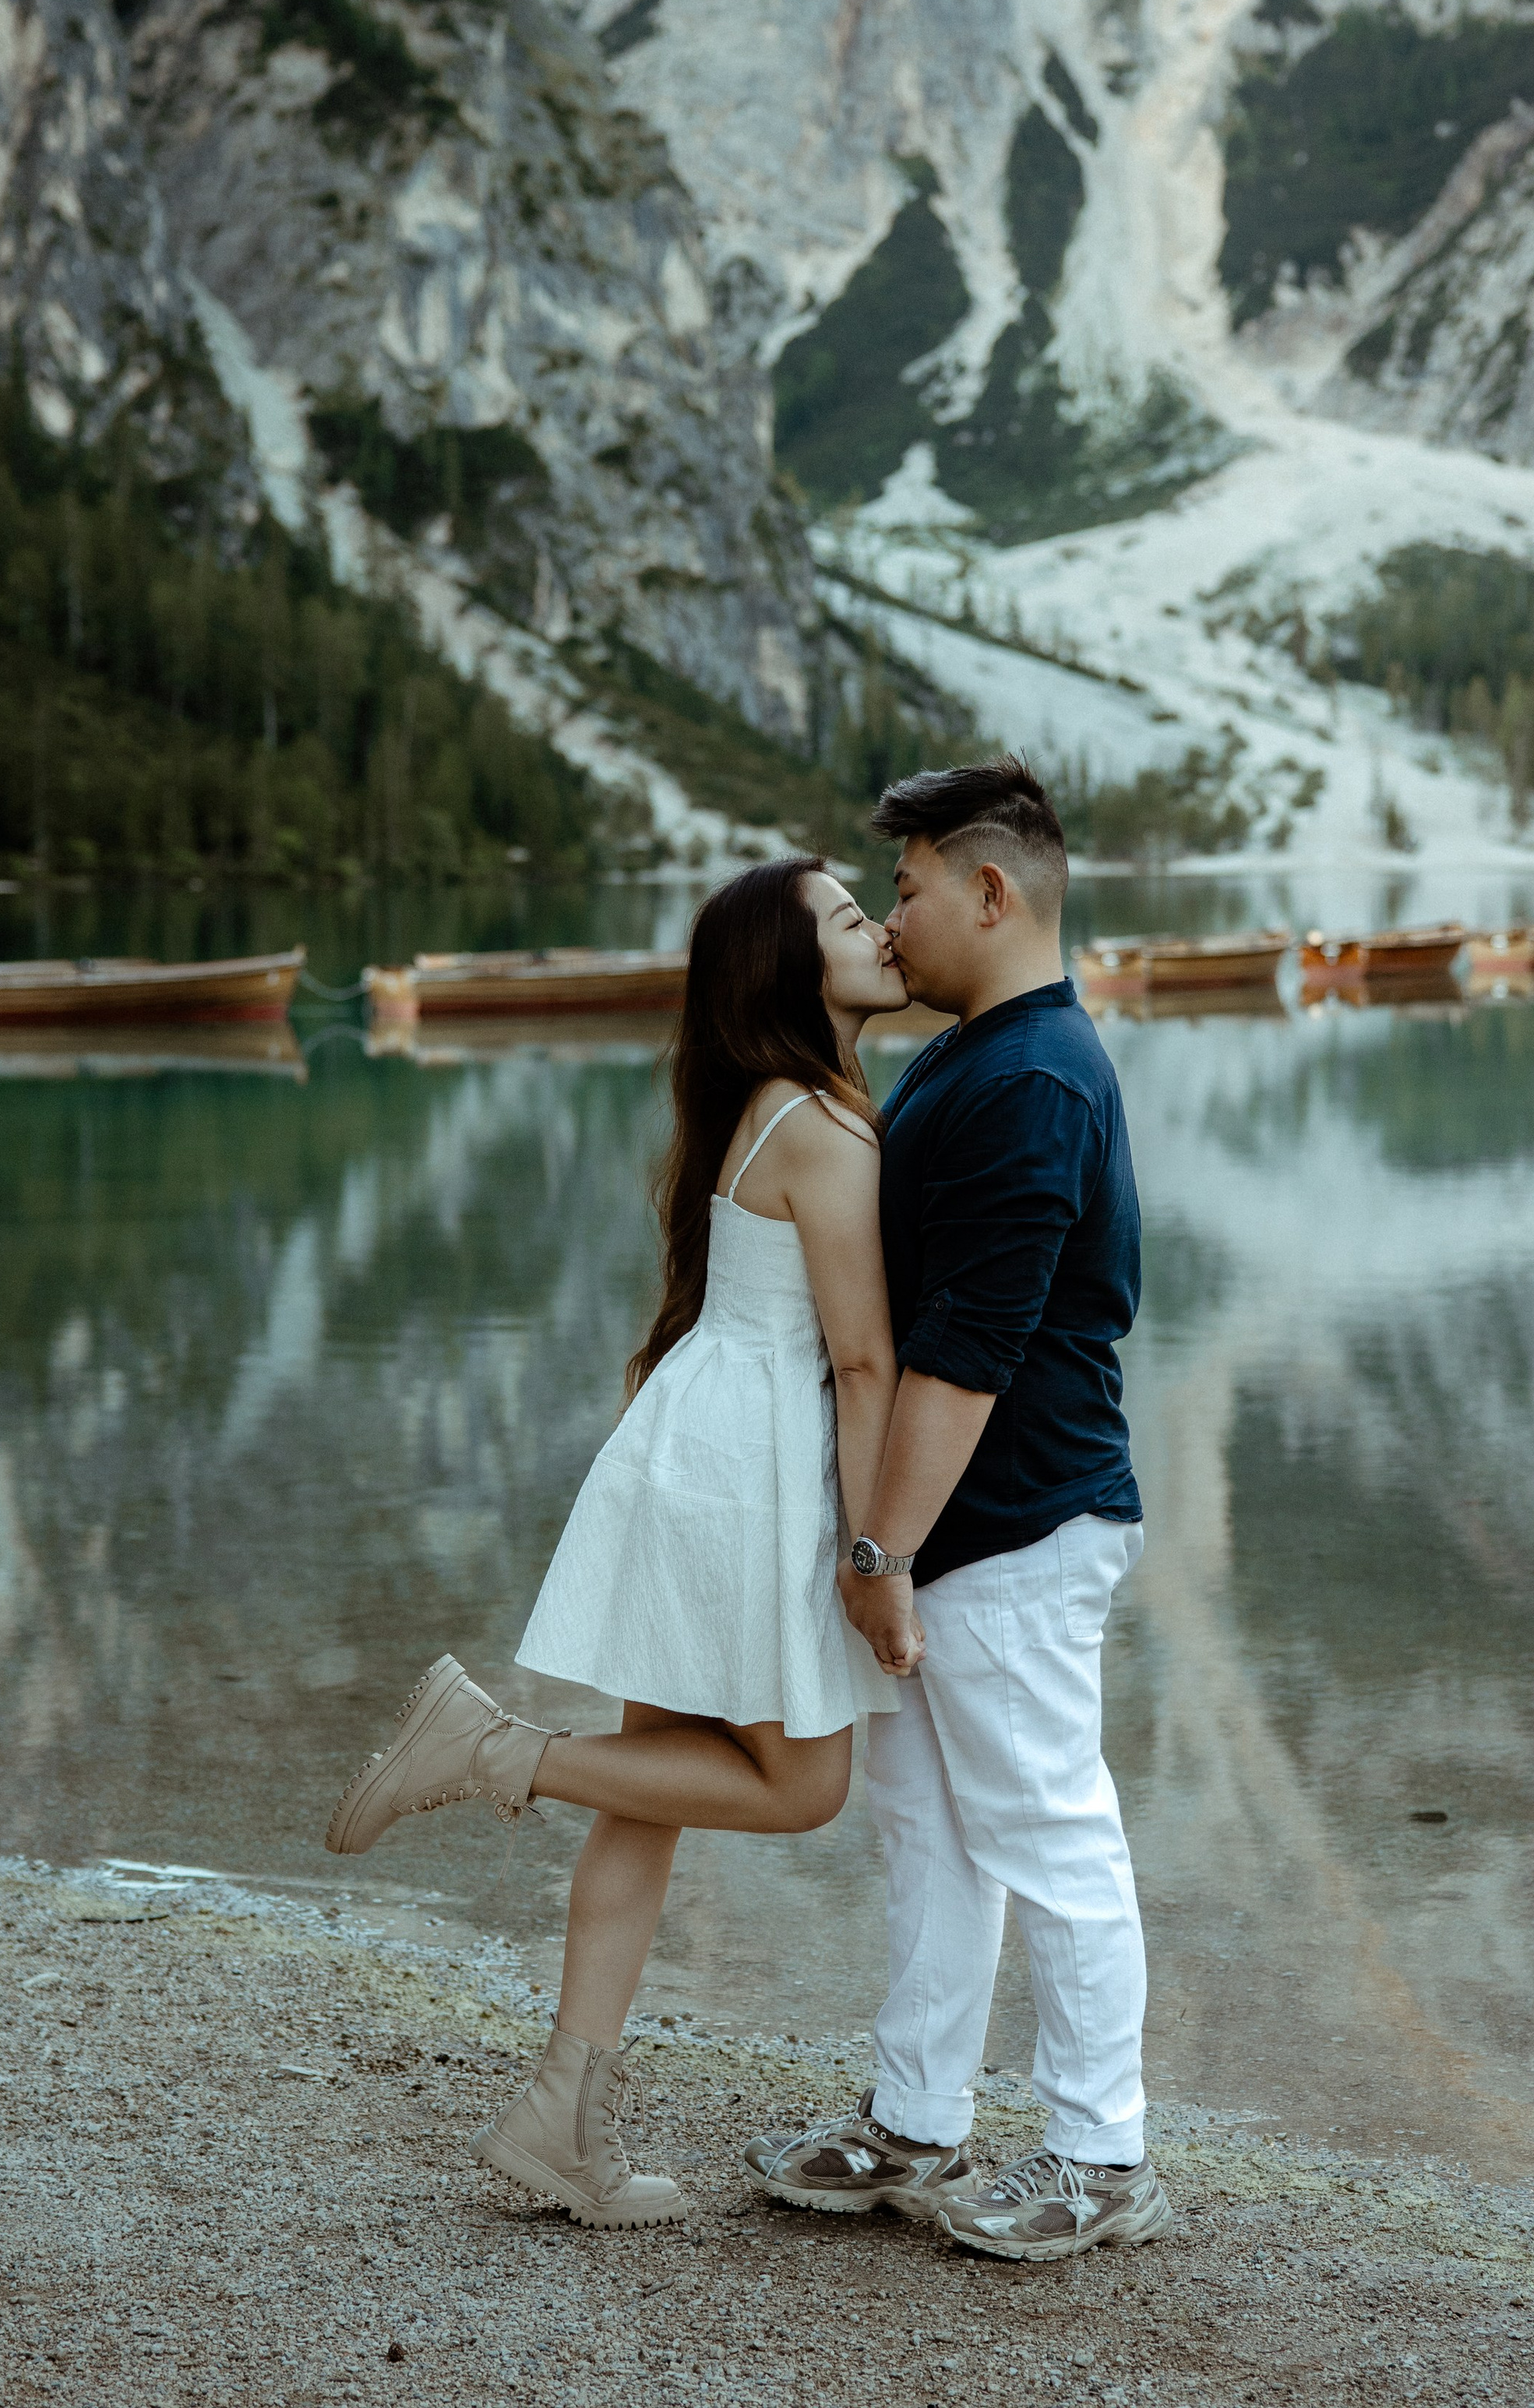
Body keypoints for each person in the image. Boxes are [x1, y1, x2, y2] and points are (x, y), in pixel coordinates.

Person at [321, 857, 912, 2228]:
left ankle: (559, 2120)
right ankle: (490, 1747)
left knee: (646, 1790)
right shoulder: (825, 1125)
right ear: (791, 972)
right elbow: (868, 1360)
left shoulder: (779, 1107)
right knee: (804, 1786)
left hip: (704, 1449)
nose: (878, 929)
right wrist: (878, 1557)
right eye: (845, 919)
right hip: (749, 1473)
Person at [742, 756, 1171, 2264]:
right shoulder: (985, 1058)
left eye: (910, 887)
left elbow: (963, 1358)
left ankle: (1096, 2148)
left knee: (1046, 1824)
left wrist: (880, 1548)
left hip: (1013, 1521)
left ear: (994, 893)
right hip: (962, 1528)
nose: (897, 919)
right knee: (929, 1827)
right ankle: (915, 2119)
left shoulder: (1031, 1080)